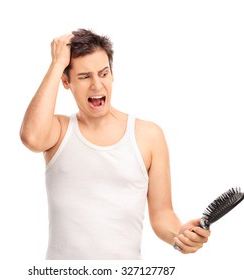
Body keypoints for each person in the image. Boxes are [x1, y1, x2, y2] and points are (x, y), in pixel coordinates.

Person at [20, 28, 210, 260]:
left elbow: (162, 214)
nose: (97, 85)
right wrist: (57, 63)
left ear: (112, 74)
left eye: (103, 73)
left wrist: (179, 235)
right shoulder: (58, 131)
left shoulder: (148, 135)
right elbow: (31, 137)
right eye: (84, 76)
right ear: (66, 82)